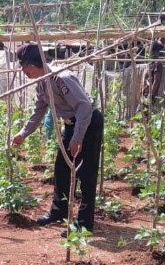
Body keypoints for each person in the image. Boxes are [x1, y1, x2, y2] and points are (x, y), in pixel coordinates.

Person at [11, 43, 104, 237]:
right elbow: (39, 111)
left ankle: (84, 224)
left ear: (31, 65)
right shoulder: (43, 82)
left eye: (23, 66)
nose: (23, 71)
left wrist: (78, 137)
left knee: (86, 174)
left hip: (87, 124)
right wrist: (23, 133)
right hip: (71, 125)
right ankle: (59, 211)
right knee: (61, 169)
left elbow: (84, 106)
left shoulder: (62, 78)